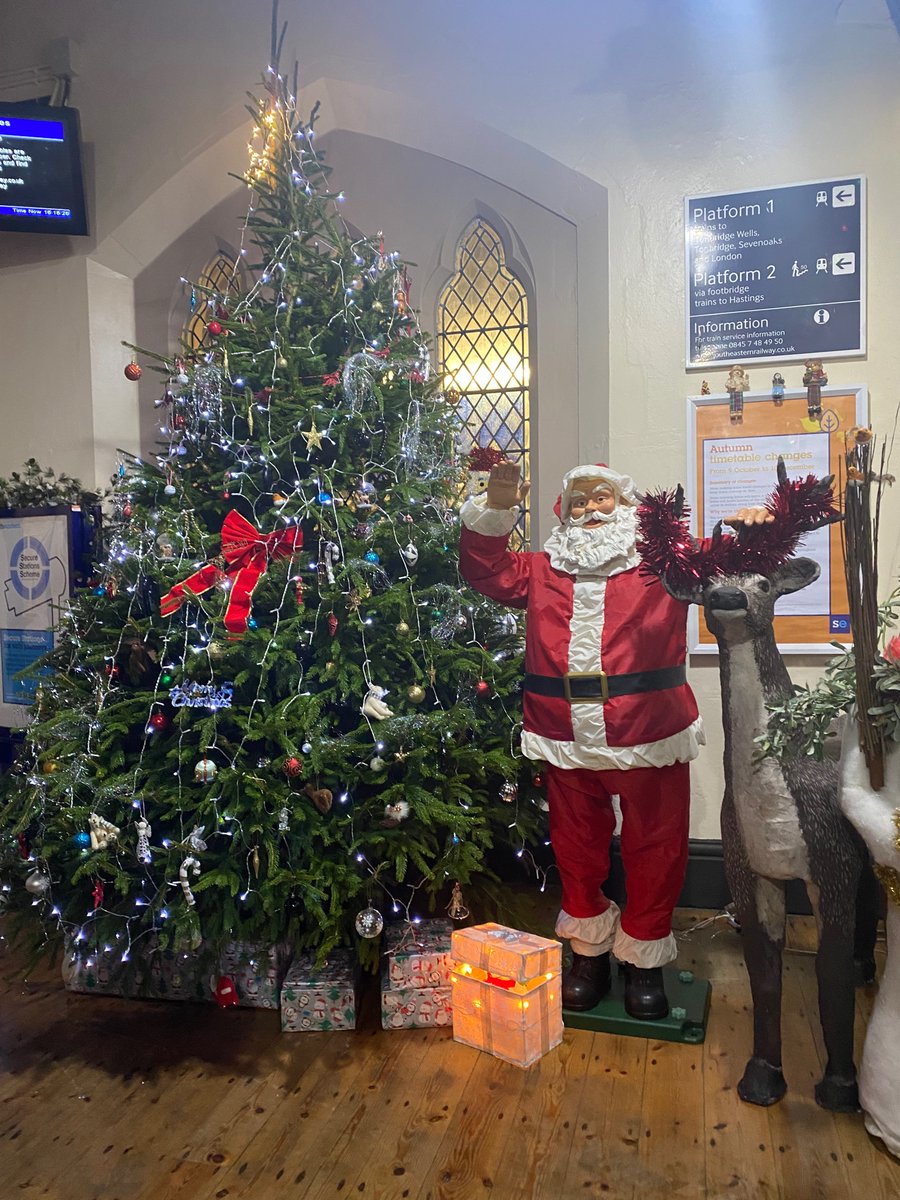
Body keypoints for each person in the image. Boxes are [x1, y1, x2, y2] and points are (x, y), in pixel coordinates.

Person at [459, 460, 770, 1019]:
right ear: (564, 512)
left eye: (601, 497)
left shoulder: (665, 563)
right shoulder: (542, 569)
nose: (590, 510)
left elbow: (729, 566)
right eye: (578, 502)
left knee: (657, 847)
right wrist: (496, 511)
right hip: (563, 734)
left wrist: (756, 529)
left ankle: (644, 957)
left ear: (626, 506)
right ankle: (589, 953)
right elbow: (486, 571)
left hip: (647, 731)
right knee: (576, 848)